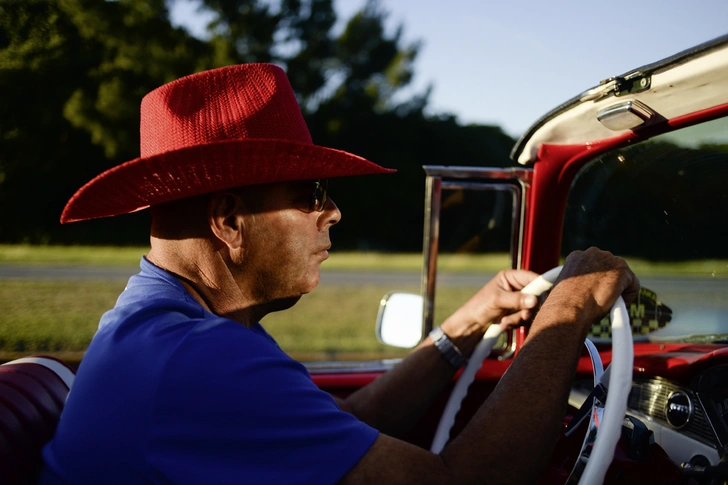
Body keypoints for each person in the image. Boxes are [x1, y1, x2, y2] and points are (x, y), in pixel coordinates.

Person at [40, 63, 639, 484]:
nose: (334, 212)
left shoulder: (179, 326)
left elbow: (342, 431)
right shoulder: (196, 357)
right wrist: (564, 314)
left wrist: (466, 324)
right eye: (311, 195)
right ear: (228, 220)